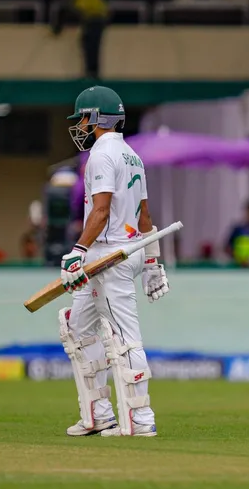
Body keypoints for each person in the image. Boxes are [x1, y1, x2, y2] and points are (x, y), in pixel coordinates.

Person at [59, 85, 169, 437]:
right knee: (76, 329)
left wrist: (77, 250)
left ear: (96, 117)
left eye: (83, 119)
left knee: (123, 337)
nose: (81, 126)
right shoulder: (131, 155)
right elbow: (145, 215)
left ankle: (140, 419)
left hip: (110, 255)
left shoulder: (102, 155)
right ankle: (98, 414)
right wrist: (152, 263)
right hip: (124, 249)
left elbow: (102, 211)